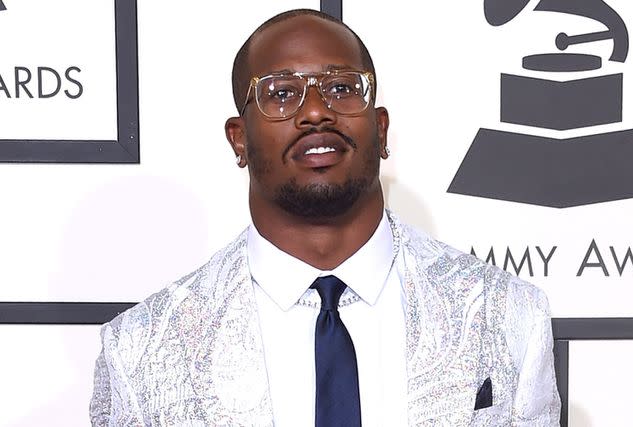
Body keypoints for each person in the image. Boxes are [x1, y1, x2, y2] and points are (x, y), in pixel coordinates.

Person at [90, 9, 560, 426]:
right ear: (238, 139)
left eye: (341, 88)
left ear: (380, 128)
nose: (316, 111)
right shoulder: (140, 348)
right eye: (281, 93)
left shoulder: (509, 314)